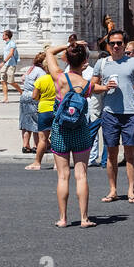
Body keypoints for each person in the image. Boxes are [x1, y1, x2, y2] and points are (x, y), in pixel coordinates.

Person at [91, 31, 134, 203]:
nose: (116, 46)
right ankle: (113, 190)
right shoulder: (101, 63)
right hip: (109, 113)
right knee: (111, 154)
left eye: (119, 43)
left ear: (124, 44)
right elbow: (92, 86)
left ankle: (131, 190)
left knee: (130, 154)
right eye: (113, 43)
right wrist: (105, 87)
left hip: (130, 113)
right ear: (108, 45)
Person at [42, 41, 97, 227]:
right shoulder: (86, 85)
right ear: (85, 62)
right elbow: (97, 90)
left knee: (63, 176)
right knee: (81, 175)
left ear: (67, 58)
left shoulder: (59, 78)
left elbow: (49, 51)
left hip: (60, 131)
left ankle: (63, 218)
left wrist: (69, 44)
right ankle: (84, 218)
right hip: (80, 130)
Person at [19, 53, 46, 153]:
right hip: (34, 96)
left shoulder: (31, 68)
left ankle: (25, 145)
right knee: (36, 121)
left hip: (24, 95)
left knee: (25, 122)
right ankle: (36, 145)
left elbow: (23, 79)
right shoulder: (41, 72)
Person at [0, 29, 18, 103]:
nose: (2, 36)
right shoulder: (6, 44)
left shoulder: (12, 43)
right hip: (5, 65)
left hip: (11, 64)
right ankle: (5, 98)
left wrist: (3, 62)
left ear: (7, 36)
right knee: (3, 80)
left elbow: (11, 53)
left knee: (11, 81)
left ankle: (21, 92)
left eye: (3, 35)